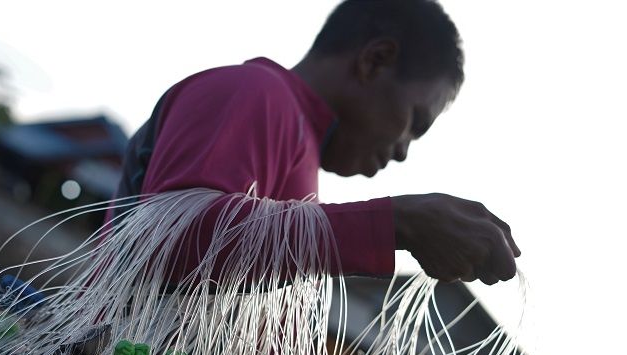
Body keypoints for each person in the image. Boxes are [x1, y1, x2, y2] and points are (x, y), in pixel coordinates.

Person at [111, 0, 521, 285]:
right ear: (374, 59)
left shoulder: (300, 152)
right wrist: (397, 222)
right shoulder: (255, 92)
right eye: (415, 122)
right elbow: (174, 240)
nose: (402, 151)